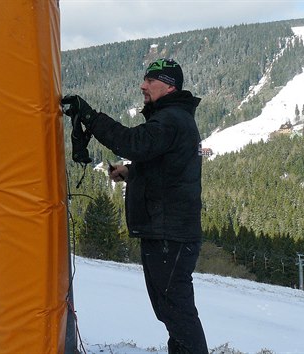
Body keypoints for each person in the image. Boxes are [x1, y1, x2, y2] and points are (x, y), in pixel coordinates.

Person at [62, 58, 208, 353]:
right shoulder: (173, 118)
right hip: (167, 232)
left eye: (150, 81)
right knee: (172, 312)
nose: (143, 86)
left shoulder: (170, 119)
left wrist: (91, 118)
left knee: (177, 313)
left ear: (168, 86)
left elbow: (133, 142)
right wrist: (131, 172)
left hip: (170, 235)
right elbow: (165, 164)